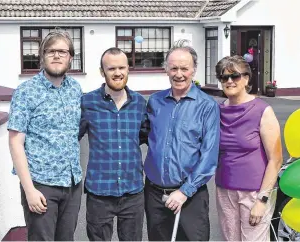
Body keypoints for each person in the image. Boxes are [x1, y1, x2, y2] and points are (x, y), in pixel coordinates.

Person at [8, 30, 83, 241]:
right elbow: (15, 142)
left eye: (62, 51)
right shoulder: (26, 92)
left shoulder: (75, 89)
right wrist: (29, 190)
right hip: (41, 185)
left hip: (71, 183)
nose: (57, 56)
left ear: (70, 57)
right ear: (42, 56)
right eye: (51, 51)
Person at [144, 40, 220, 241]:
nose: (179, 74)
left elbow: (209, 155)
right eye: (174, 68)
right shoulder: (154, 102)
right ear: (166, 70)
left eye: (184, 68)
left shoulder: (207, 106)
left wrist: (184, 191)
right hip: (155, 194)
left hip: (190, 196)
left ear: (194, 70)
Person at [79, 47, 149, 241]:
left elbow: (150, 138)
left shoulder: (140, 104)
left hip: (132, 191)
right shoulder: (87, 102)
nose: (117, 73)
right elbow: (69, 138)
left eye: (121, 68)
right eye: (111, 69)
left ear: (128, 69)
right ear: (102, 72)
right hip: (99, 193)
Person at [214, 55, 283, 241]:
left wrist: (262, 200)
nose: (229, 81)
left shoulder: (262, 110)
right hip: (225, 190)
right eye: (223, 77)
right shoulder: (217, 111)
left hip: (255, 192)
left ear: (246, 78)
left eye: (235, 76)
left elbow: (275, 160)